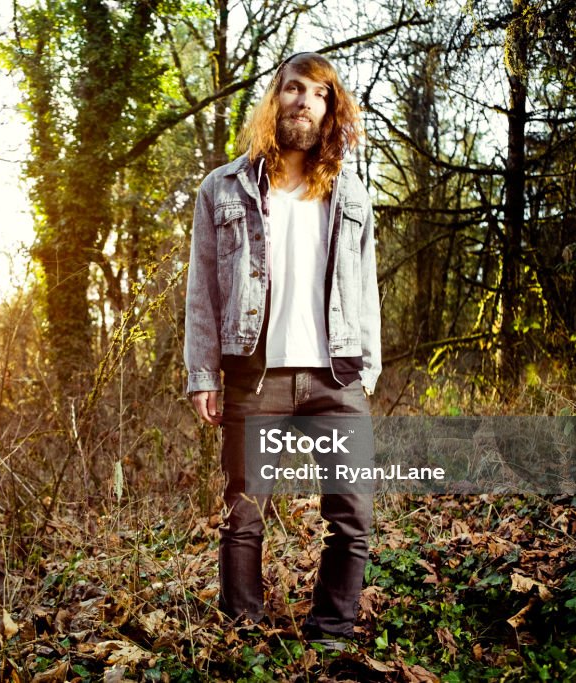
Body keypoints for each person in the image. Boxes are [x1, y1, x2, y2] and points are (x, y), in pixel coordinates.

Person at [183, 52, 381, 648]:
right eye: (294, 89)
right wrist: (202, 374)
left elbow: (365, 283)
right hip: (255, 376)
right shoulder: (223, 188)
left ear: (330, 110)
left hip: (336, 377)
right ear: (276, 99)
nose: (304, 101)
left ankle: (330, 634)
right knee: (243, 517)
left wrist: (367, 367)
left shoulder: (351, 191)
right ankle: (241, 637)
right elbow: (202, 287)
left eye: (319, 94)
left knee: (353, 521)